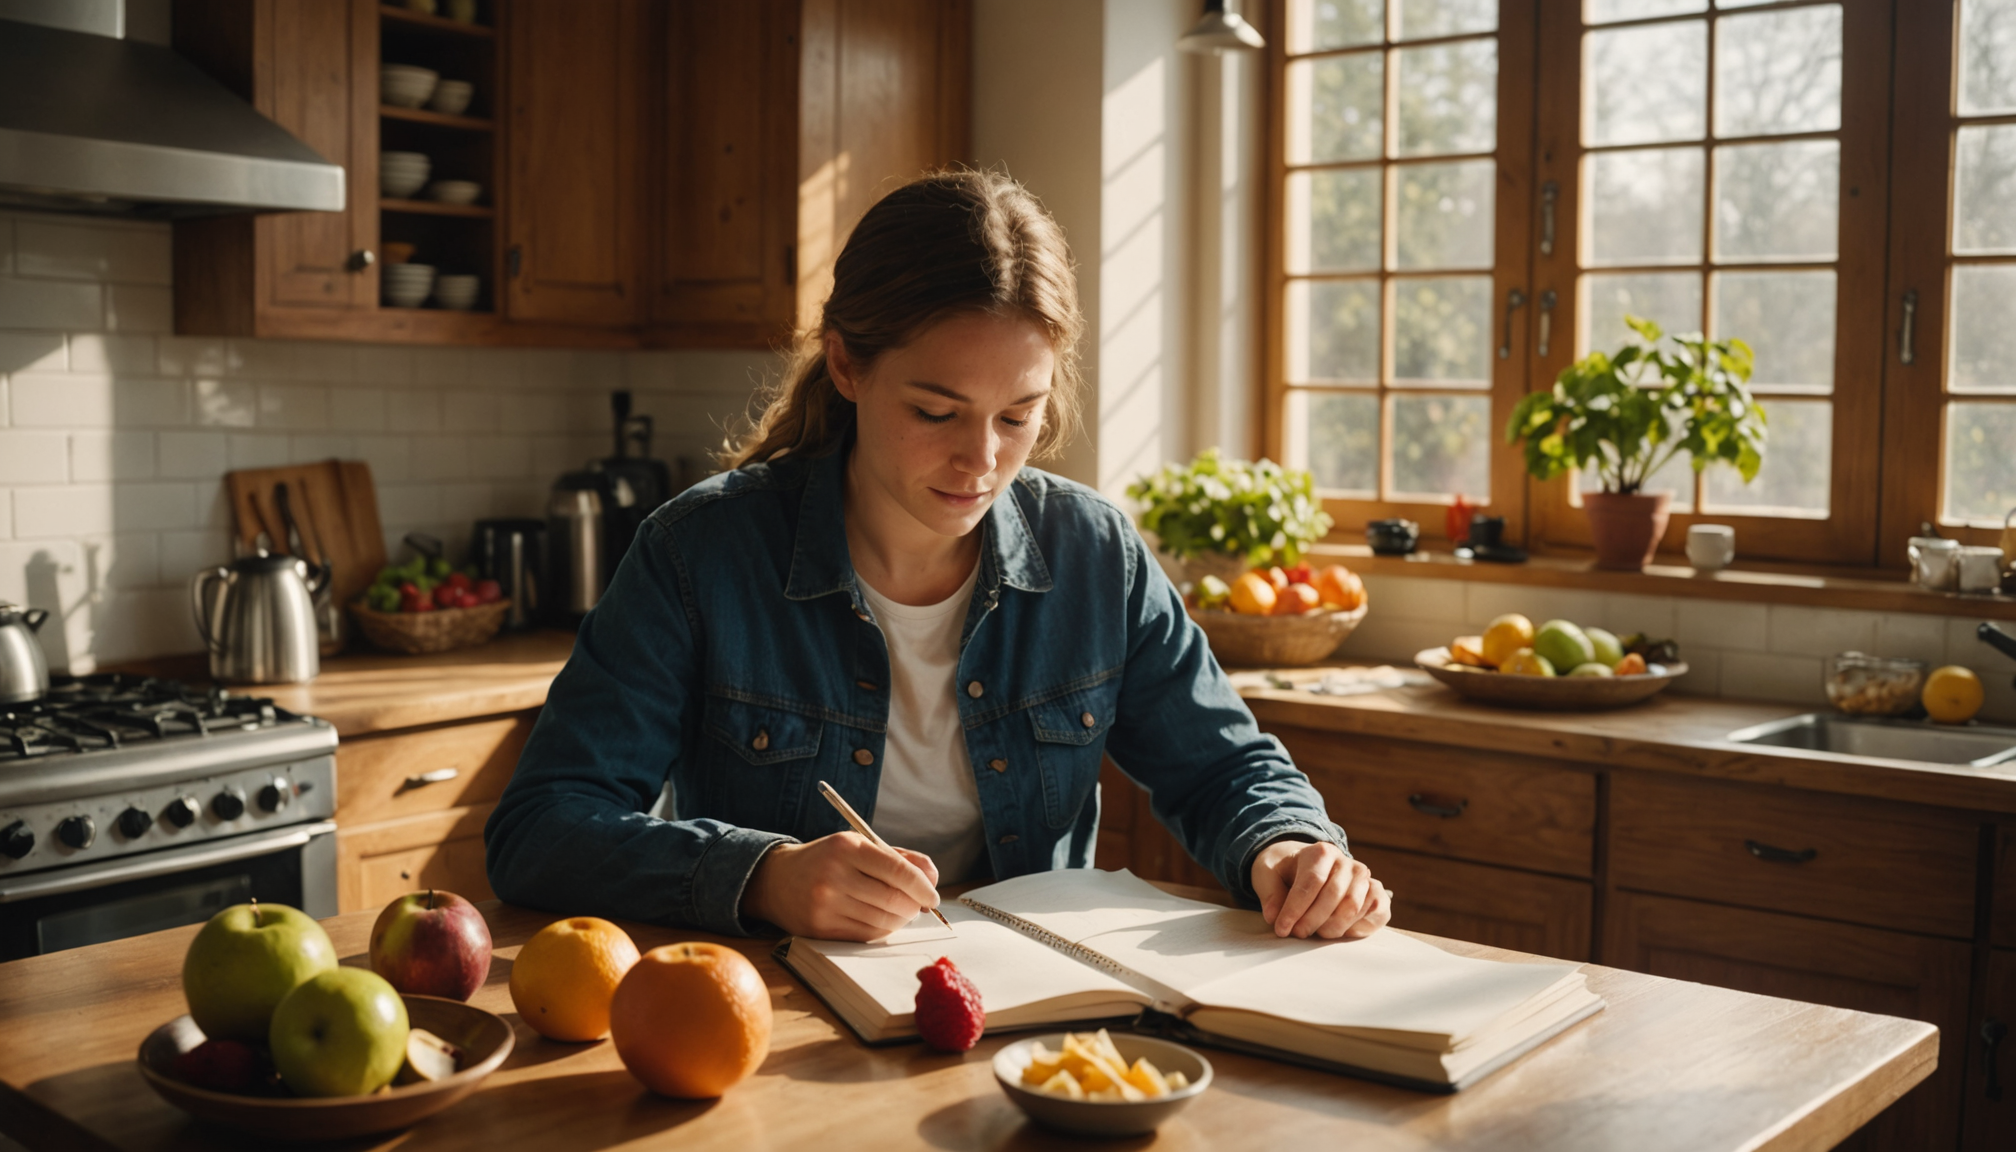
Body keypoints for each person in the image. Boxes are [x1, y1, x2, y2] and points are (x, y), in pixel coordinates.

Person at [486, 169, 1390, 945]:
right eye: (935, 411)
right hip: (778, 1026)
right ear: (846, 365)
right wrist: (764, 876)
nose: (982, 461)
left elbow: (1224, 767)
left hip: (1029, 1018)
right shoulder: (700, 553)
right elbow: (542, 826)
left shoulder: (1094, 555)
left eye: (1017, 415)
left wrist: (1288, 847)